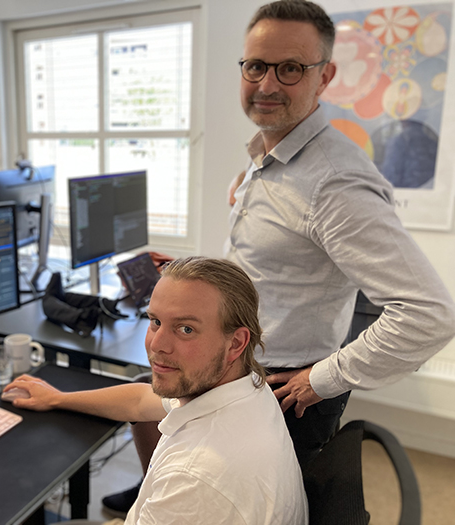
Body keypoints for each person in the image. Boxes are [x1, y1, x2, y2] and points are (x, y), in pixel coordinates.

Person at [101, 0, 455, 517]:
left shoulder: (333, 182)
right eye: (256, 66)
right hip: (238, 362)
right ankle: (154, 492)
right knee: (151, 400)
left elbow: (429, 313)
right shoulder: (268, 158)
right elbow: (270, 265)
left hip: (283, 386)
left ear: (324, 76)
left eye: (291, 68)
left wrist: (324, 377)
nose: (267, 83)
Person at [4, 257, 308, 525]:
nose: (156, 345)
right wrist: (57, 398)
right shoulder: (248, 388)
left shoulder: (195, 481)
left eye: (185, 329)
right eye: (156, 321)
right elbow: (139, 400)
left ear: (236, 343)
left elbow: (192, 488)